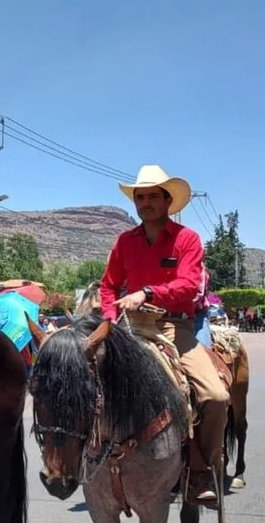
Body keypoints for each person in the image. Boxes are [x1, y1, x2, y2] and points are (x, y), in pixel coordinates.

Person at [98, 164, 229, 504]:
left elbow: (187, 286)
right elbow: (108, 286)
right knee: (87, 381)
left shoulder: (187, 239)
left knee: (215, 397)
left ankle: (200, 469)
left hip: (176, 326)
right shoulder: (124, 242)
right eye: (140, 197)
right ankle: (85, 459)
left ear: (168, 201)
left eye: (153, 196)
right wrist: (110, 319)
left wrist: (147, 293)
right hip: (129, 327)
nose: (145, 203)